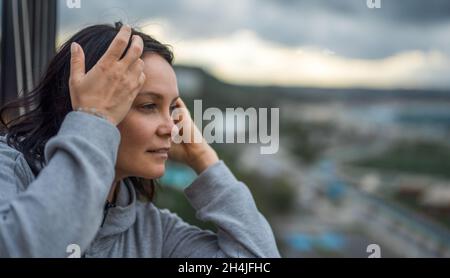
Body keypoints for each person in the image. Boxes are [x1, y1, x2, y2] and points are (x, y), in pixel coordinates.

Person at [0, 22, 280, 258]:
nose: (172, 127)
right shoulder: (9, 172)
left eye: (172, 109)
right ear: (83, 102)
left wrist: (203, 158)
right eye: (148, 106)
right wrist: (94, 117)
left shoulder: (152, 233)